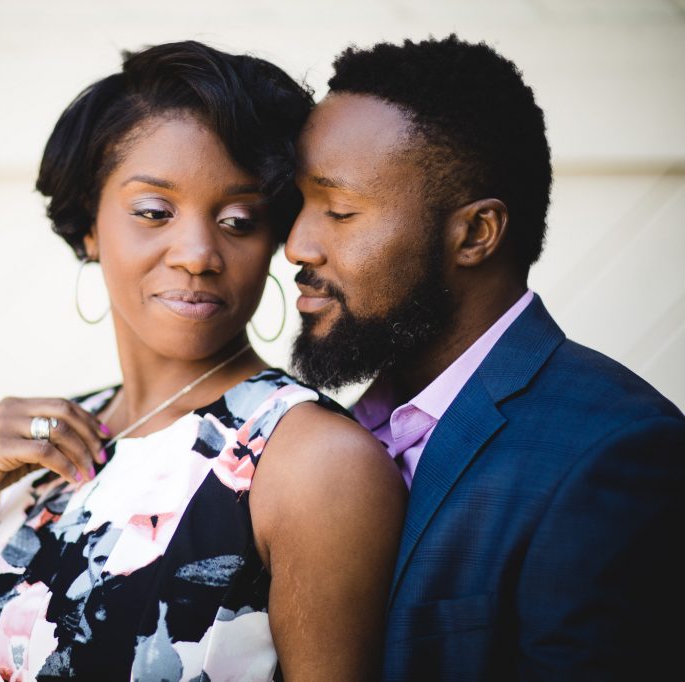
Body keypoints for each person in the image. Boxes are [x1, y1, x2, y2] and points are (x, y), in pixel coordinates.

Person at [0, 41, 406, 682]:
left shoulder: (309, 463)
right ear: (89, 226)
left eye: (239, 220)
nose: (197, 253)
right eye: (154, 211)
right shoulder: (24, 464)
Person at [286, 34, 685, 680]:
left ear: (475, 233)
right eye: (297, 205)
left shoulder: (618, 455)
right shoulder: (311, 435)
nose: (296, 246)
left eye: (338, 210)